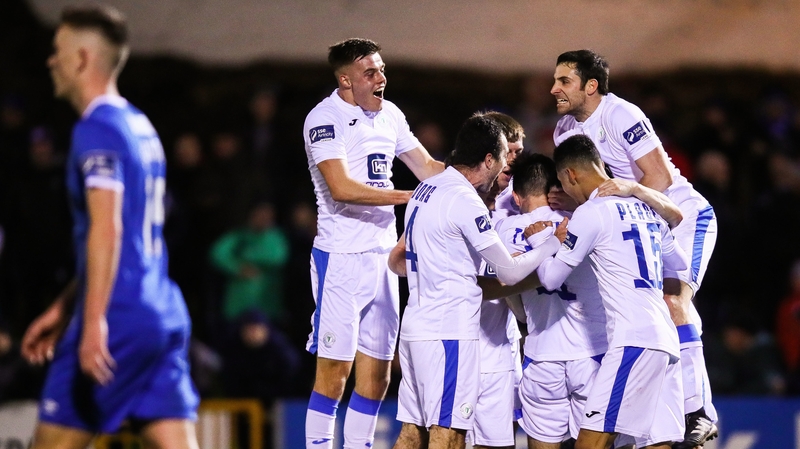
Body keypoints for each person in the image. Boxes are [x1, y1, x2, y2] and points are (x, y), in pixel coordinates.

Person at [20, 5, 199, 448]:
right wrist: (64, 308)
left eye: (57, 51)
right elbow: (132, 237)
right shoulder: (139, 124)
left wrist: (92, 319)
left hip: (118, 315)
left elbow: (109, 227)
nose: (50, 61)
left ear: (81, 58)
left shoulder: (95, 129)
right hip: (161, 311)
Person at [550, 49, 718, 448]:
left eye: (564, 81)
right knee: (646, 308)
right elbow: (594, 189)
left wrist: (622, 199)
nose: (554, 88)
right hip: (637, 220)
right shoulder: (563, 132)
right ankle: (663, 413)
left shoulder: (621, 114)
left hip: (680, 213)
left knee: (674, 300)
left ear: (591, 86)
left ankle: (699, 410)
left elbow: (658, 176)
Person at [302, 38, 444, 449]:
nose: (381, 78)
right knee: (334, 373)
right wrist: (408, 196)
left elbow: (426, 167)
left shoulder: (390, 115)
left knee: (379, 375)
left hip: (384, 258)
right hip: (341, 258)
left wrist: (467, 184)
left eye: (381, 69)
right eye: (370, 72)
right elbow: (342, 188)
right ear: (345, 79)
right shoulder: (324, 119)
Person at [392, 115, 564, 449]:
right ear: (488, 159)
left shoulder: (425, 190)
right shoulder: (466, 200)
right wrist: (552, 243)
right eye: (503, 159)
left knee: (412, 434)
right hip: (450, 333)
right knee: (450, 434)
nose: (505, 169)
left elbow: (399, 258)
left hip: (415, 327)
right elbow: (509, 273)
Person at [537, 134, 688, 449]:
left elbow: (551, 279)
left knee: (591, 441)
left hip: (632, 340)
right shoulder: (645, 208)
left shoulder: (590, 213)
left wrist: (543, 242)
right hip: (666, 341)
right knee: (656, 443)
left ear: (570, 175)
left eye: (562, 183)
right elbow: (679, 262)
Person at [495, 152, 607, 449]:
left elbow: (508, 290)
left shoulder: (504, 230)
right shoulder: (583, 219)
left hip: (541, 354)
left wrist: (524, 317)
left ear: (517, 197)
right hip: (591, 352)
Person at [210, 201, 290, 324]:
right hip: (238, 305)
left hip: (267, 304)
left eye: (267, 215)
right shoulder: (239, 235)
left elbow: (278, 257)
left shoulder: (276, 237)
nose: (263, 218)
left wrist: (246, 255)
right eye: (259, 214)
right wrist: (237, 267)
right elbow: (217, 253)